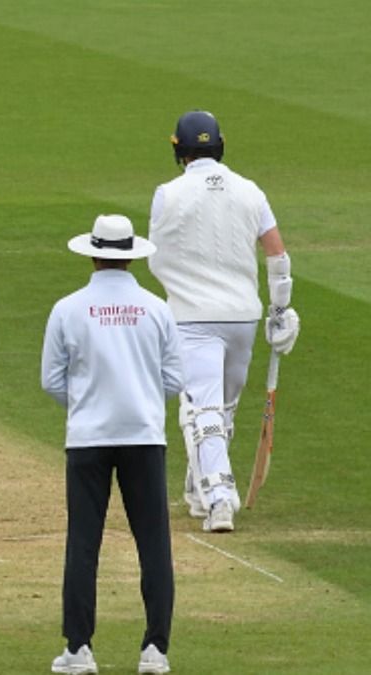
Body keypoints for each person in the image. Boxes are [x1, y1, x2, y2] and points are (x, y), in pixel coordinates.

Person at [41, 214, 183, 675]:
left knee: (83, 541)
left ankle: (79, 650)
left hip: (88, 439)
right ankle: (155, 651)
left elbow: (52, 380)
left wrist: (87, 404)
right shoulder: (157, 308)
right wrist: (139, 398)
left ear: (94, 252)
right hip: (144, 435)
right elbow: (175, 378)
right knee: (153, 543)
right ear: (130, 256)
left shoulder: (68, 308)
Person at [148, 110, 301, 533]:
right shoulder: (250, 191)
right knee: (220, 411)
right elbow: (277, 255)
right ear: (221, 145)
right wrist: (280, 309)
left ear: (177, 149)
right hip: (242, 316)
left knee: (205, 410)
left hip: (193, 318)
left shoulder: (168, 193)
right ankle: (200, 491)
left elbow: (158, 257)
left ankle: (219, 500)